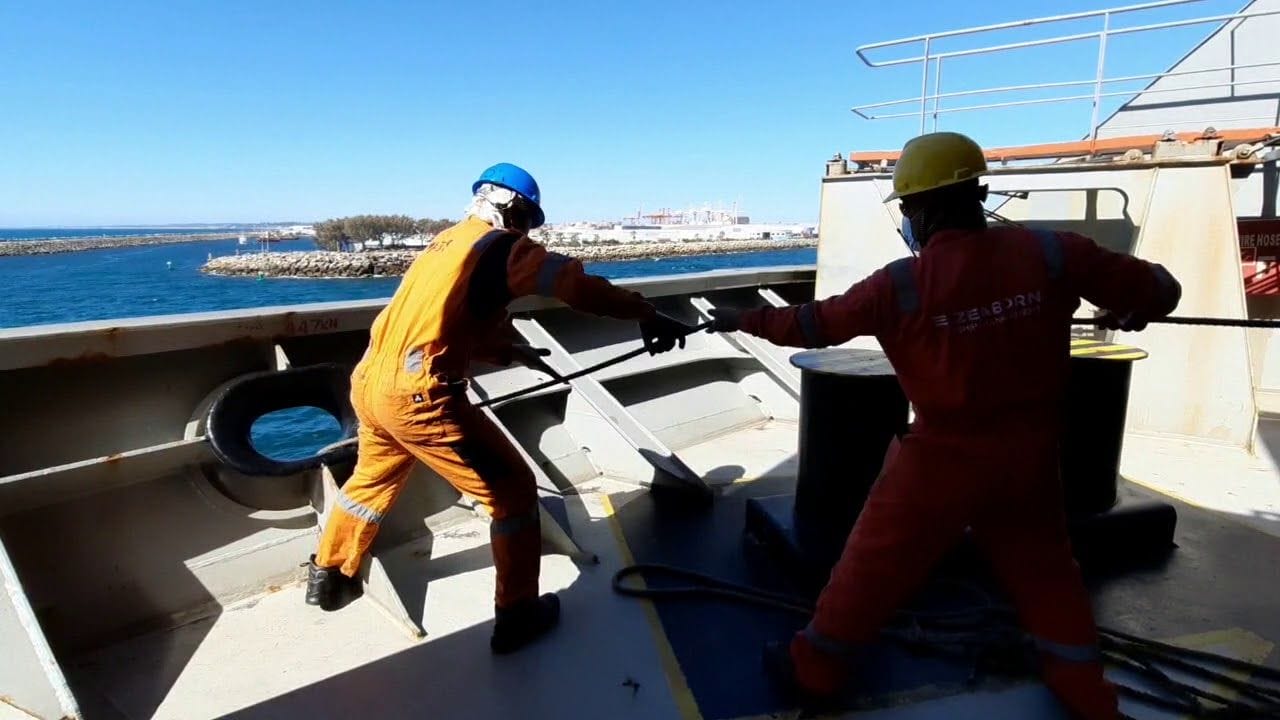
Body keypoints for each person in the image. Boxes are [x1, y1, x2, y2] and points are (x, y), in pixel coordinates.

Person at [706, 131, 1181, 719]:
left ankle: (814, 670)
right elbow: (1162, 289)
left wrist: (740, 318)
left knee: (870, 570)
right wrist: (1132, 310)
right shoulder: (1053, 253)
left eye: (908, 209)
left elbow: (809, 325)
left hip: (940, 462)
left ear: (922, 210)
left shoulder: (898, 285)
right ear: (977, 195)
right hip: (1029, 458)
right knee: (1049, 578)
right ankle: (1088, 695)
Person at [306, 162, 693, 654]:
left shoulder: (445, 243)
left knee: (370, 482)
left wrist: (511, 352)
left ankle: (329, 575)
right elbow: (575, 285)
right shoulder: (505, 248)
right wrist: (645, 312)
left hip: (369, 385)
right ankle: (517, 615)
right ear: (512, 208)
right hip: (419, 398)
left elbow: (448, 315)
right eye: (528, 220)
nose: (528, 231)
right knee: (513, 493)